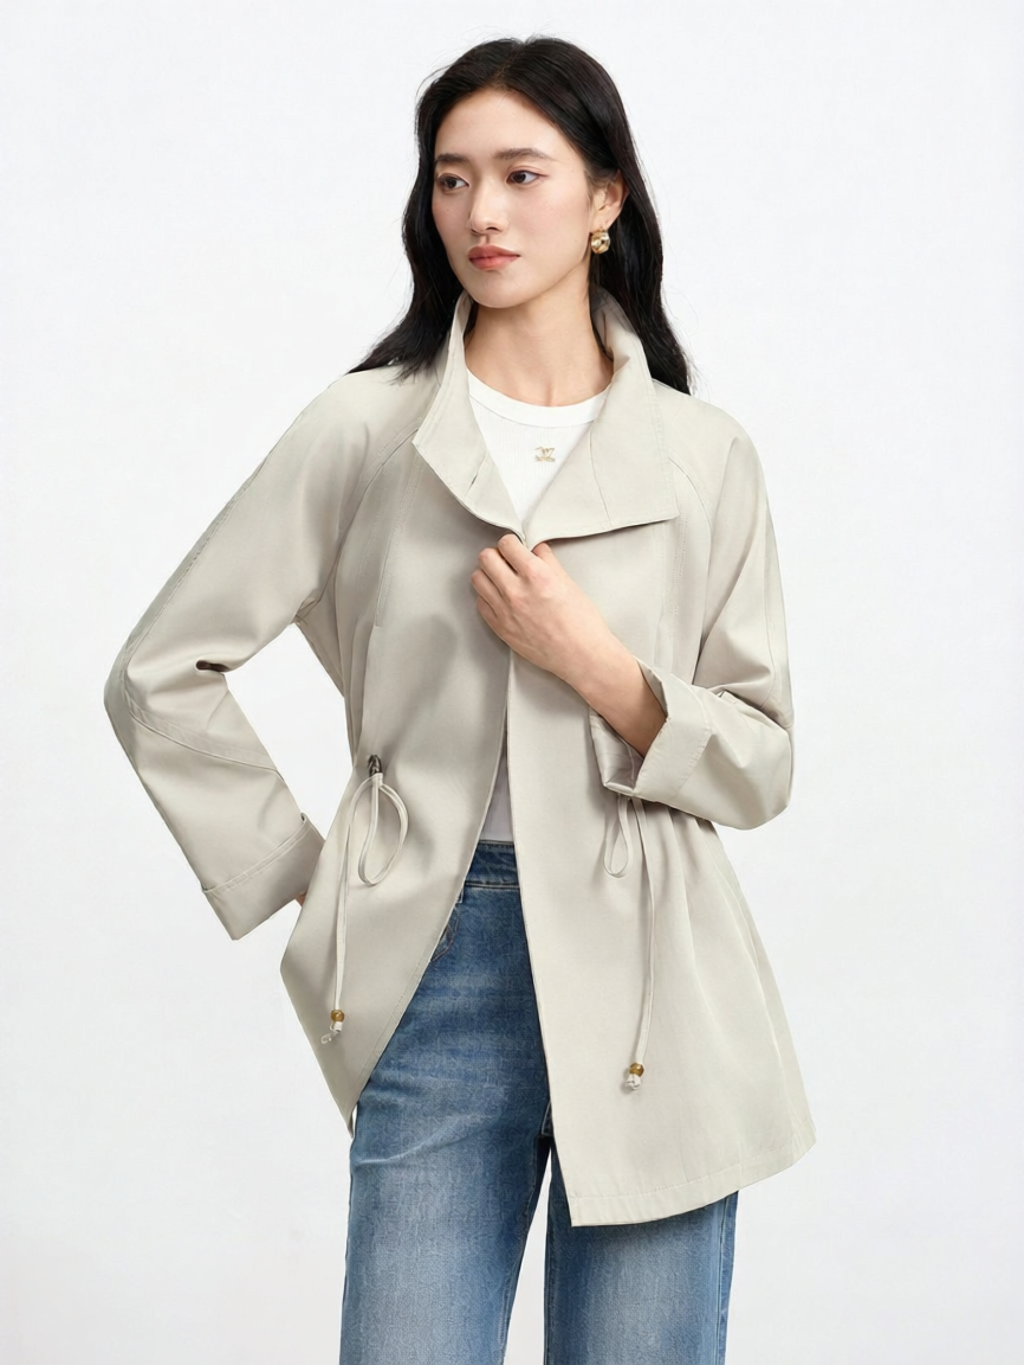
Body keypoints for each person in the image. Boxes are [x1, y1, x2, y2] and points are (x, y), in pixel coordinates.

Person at [104, 34, 815, 1365]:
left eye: (520, 174)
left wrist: (600, 668)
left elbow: (762, 762)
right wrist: (309, 878)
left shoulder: (704, 455)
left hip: (659, 981)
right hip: (436, 958)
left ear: (605, 199)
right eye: (451, 177)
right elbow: (160, 673)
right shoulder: (365, 429)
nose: (481, 211)